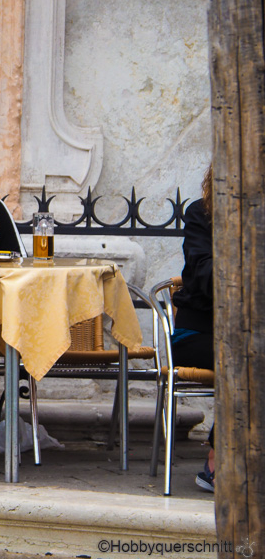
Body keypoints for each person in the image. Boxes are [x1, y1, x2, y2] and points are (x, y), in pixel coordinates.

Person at [171, 164, 214, 492]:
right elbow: (204, 273)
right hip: (198, 333)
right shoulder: (202, 213)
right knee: (250, 359)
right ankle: (218, 459)